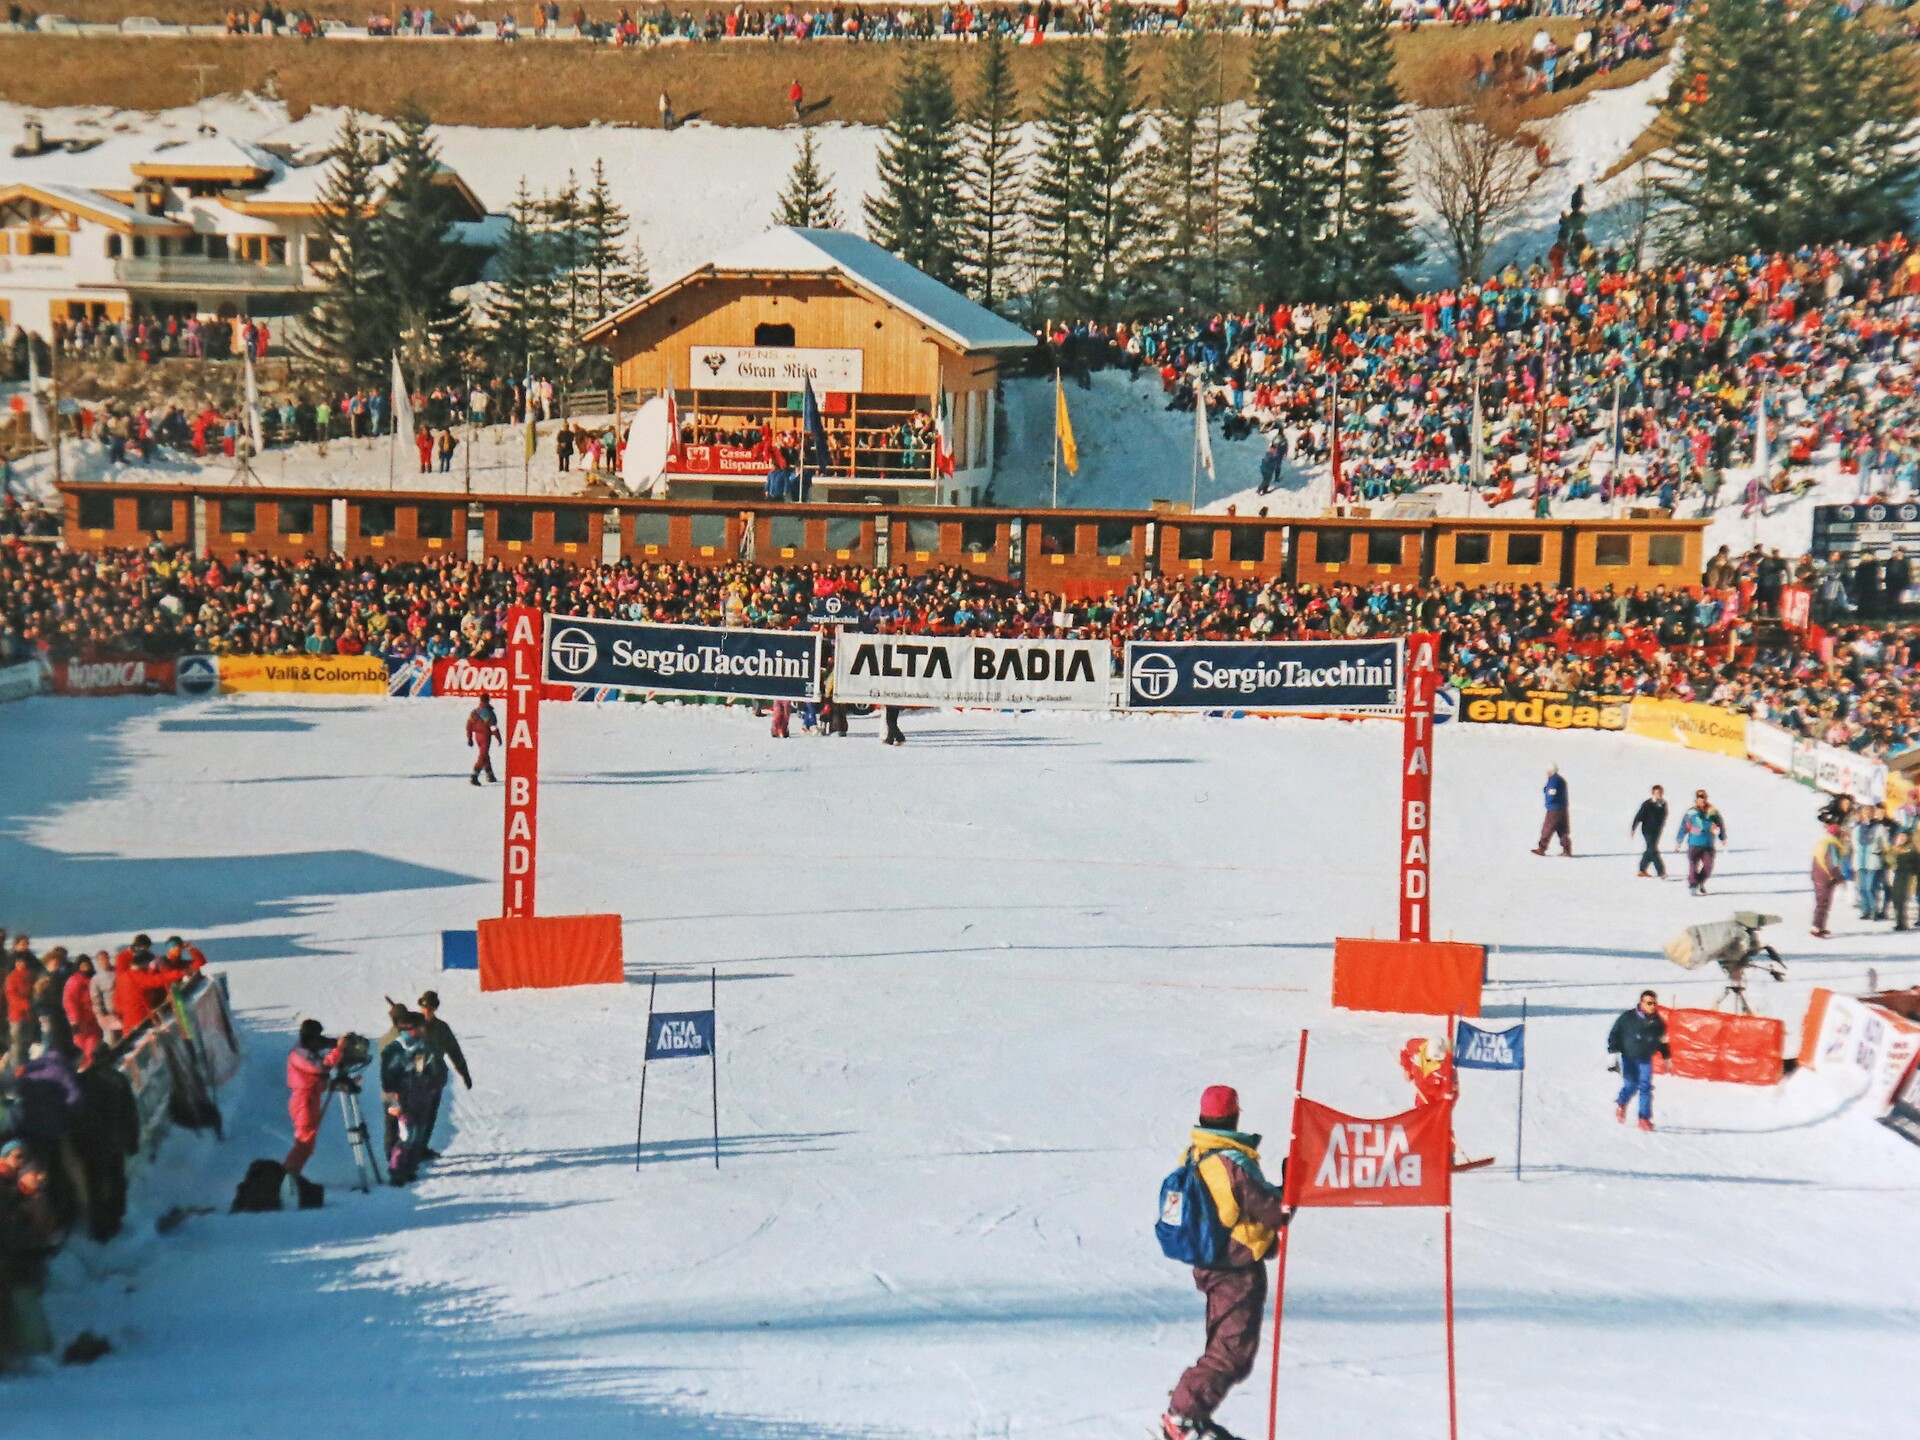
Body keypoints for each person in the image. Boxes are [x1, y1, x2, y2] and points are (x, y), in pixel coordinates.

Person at [1160, 1085, 1292, 1440]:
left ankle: (1191, 1414)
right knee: (1230, 1353)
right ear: (1235, 1116)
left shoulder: (1195, 1153)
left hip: (1211, 1263)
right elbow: (1274, 1211)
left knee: (1228, 1348)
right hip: (1234, 1269)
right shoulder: (1232, 1163)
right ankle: (1182, 1416)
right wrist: (1291, 1186)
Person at [381, 1011, 445, 1186]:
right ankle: (396, 1169)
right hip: (401, 1098)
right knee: (406, 1134)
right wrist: (394, 1100)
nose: (425, 1029)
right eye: (421, 1026)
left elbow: (426, 1069)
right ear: (412, 1029)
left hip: (420, 1097)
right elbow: (388, 1079)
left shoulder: (422, 1047)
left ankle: (409, 1167)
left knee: (417, 1134)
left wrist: (432, 1082)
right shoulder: (395, 1049)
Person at [285, 1019, 347, 1177]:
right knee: (304, 1141)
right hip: (304, 1100)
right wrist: (338, 1049)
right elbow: (321, 1066)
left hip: (310, 1097)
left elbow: (322, 1044)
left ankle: (291, 1173)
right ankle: (288, 1173)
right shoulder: (299, 1053)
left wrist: (335, 1043)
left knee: (307, 1142)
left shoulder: (306, 1046)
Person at [416, 990, 471, 1159]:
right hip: (417, 1078)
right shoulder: (413, 1027)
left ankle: (422, 1147)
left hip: (435, 1077)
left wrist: (464, 1072)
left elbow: (454, 1051)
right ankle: (412, 1148)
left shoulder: (442, 1028)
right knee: (416, 1114)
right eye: (425, 1008)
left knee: (431, 1114)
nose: (427, 1012)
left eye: (430, 1009)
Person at [1607, 990, 1669, 1132]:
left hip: (1646, 1058)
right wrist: (1612, 1053)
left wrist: (1666, 1056)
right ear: (1641, 1003)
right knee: (1631, 1085)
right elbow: (1614, 1034)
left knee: (1645, 1086)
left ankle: (1643, 1118)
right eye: (1649, 1003)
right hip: (1629, 1056)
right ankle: (1622, 1102)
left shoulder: (1658, 1022)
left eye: (1654, 1003)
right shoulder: (1628, 1018)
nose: (1652, 1006)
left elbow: (1663, 1041)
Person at [1673, 790, 1727, 896]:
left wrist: (1722, 836)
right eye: (1700, 798)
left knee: (1708, 866)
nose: (1702, 800)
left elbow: (1720, 823)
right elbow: (1684, 827)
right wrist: (1679, 841)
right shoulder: (1691, 813)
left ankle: (1700, 882)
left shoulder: (1713, 812)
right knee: (1693, 866)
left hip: (1708, 843)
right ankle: (1693, 885)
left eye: (1704, 798)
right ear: (1696, 800)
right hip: (1694, 843)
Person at [61, 955, 102, 1069]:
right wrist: (74, 1019)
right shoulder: (74, 981)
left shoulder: (93, 978)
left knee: (93, 1042)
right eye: (83, 966)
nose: (86, 968)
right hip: (80, 1019)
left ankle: (90, 1065)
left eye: (87, 965)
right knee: (80, 1045)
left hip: (93, 1018)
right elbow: (69, 1001)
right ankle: (81, 1067)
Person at [1853, 804, 1892, 921]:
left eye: (1870, 811)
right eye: (1865, 811)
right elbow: (1854, 844)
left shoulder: (1879, 828)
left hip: (1873, 861)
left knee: (1871, 887)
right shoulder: (1857, 829)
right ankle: (1866, 910)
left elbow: (1886, 844)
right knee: (1862, 887)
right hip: (1860, 860)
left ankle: (1874, 910)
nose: (1867, 814)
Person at [1811, 820, 1849, 938]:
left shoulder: (1823, 843)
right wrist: (1839, 877)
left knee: (1821, 902)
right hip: (1826, 878)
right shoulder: (1831, 845)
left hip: (1818, 875)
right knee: (1823, 903)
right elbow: (1832, 864)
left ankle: (1820, 926)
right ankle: (1817, 927)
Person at [1630, 785, 1669, 878]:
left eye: (1660, 792)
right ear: (1653, 793)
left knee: (1650, 849)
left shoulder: (1663, 803)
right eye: (1656, 793)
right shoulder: (1647, 804)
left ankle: (1642, 870)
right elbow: (1639, 816)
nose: (1658, 794)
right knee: (1653, 850)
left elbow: (1664, 816)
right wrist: (1633, 828)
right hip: (1647, 830)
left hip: (1657, 830)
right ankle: (1661, 871)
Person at [1533, 764, 1571, 856]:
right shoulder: (1561, 780)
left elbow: (1552, 792)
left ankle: (1541, 849)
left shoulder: (1554, 780)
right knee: (1562, 830)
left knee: (1547, 828)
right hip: (1563, 808)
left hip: (1554, 809)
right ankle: (1567, 850)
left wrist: (1549, 799)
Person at [88, 951, 120, 1051]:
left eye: (106, 958)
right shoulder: (96, 979)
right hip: (108, 1013)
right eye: (101, 959)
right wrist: (99, 1014)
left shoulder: (117, 972)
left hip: (121, 1009)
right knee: (111, 1039)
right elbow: (95, 998)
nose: (104, 961)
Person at [467, 697, 501, 786]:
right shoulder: (488, 712)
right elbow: (493, 726)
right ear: (488, 701)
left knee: (484, 754)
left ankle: (490, 774)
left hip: (477, 736)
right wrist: (498, 738)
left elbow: (469, 725)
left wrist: (469, 738)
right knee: (483, 756)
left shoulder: (474, 711)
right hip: (485, 736)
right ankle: (474, 776)